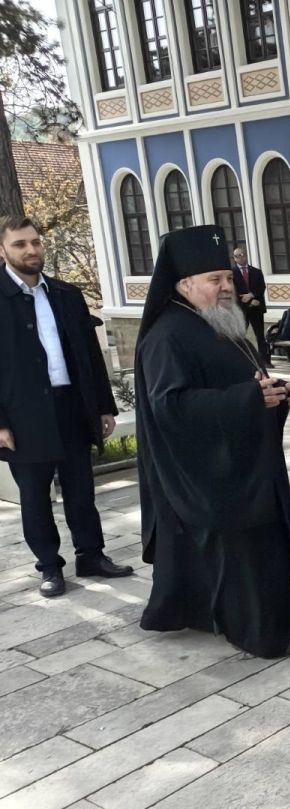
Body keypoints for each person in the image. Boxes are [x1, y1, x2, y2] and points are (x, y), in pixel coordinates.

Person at [135, 225, 290, 658]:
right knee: (243, 549)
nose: (227, 286)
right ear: (184, 285)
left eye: (228, 277)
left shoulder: (216, 321)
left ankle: (278, 617)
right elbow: (169, 405)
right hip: (209, 471)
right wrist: (249, 399)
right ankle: (255, 629)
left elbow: (240, 379)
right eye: (215, 279)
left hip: (244, 460)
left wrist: (273, 393)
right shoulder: (167, 334)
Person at [0, 216, 133, 597]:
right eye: (20, 244)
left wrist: (104, 406)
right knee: (35, 497)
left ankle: (91, 555)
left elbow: (90, 356)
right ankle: (49, 566)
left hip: (72, 407)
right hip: (23, 415)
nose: (31, 250)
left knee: (81, 491)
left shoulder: (66, 294)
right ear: (2, 250)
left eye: (35, 242)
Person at [231, 247, 268, 364]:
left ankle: (265, 360)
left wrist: (252, 295)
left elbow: (261, 287)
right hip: (241, 309)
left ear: (246, 256)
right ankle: (241, 361)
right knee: (240, 336)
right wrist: (249, 301)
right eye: (238, 256)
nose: (241, 257)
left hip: (257, 308)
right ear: (234, 259)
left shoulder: (256, 271)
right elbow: (233, 292)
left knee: (260, 335)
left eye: (242, 255)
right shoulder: (231, 274)